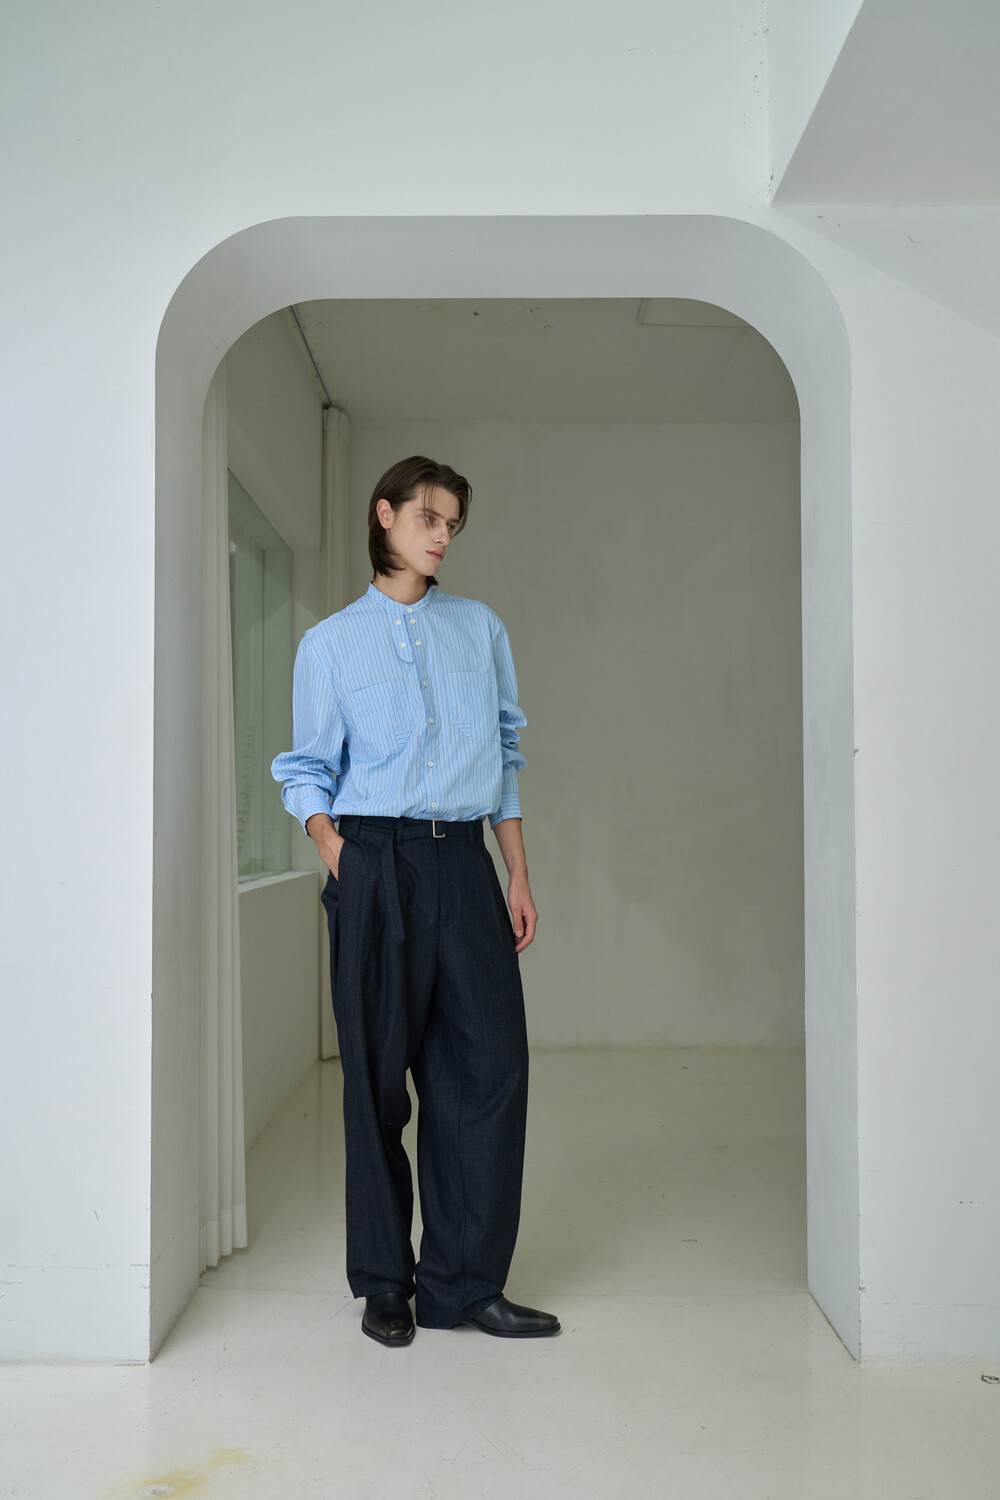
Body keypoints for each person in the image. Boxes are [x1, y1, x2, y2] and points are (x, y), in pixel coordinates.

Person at [270, 455, 560, 1347]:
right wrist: (338, 854)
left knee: (488, 1071)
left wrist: (516, 873)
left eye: (452, 524)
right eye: (429, 517)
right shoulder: (329, 644)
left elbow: (504, 757)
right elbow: (307, 769)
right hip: (375, 862)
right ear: (384, 514)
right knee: (375, 1083)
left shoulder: (480, 629)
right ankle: (384, 1283)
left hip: (465, 864)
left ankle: (464, 1286)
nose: (442, 535)